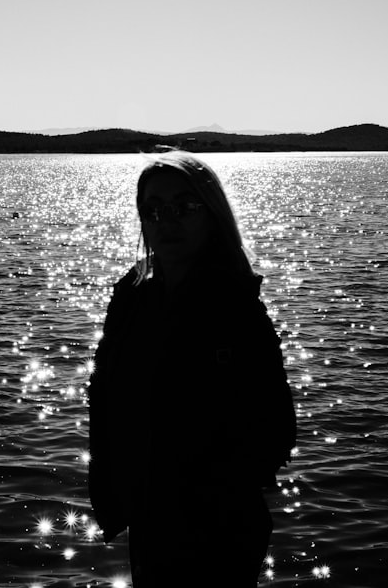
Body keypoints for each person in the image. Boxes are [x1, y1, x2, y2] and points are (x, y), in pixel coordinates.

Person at [88, 150, 297, 586]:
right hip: (148, 516)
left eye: (184, 207)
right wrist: (113, 490)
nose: (168, 219)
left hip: (218, 528)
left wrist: (215, 489)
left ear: (211, 213)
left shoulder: (235, 307)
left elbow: (276, 426)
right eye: (154, 209)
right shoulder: (131, 297)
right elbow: (103, 394)